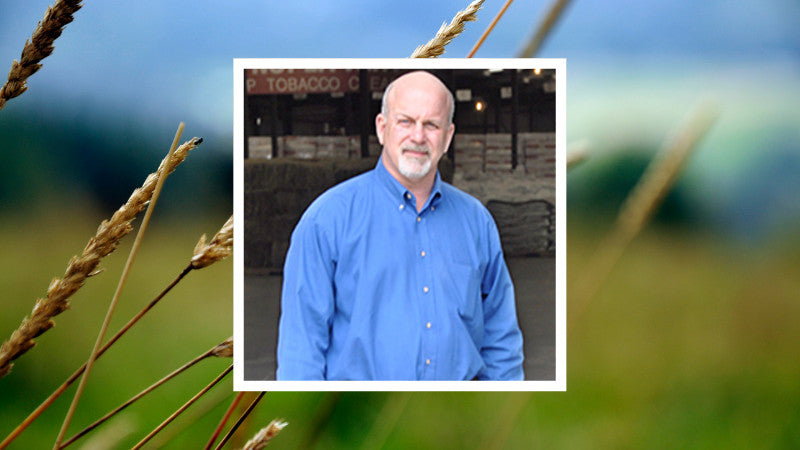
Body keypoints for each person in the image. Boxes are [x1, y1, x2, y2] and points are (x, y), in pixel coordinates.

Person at [276, 71, 524, 380]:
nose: (418, 137)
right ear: (382, 128)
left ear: (447, 137)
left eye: (431, 125)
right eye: (405, 121)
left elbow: (501, 337)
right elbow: (301, 350)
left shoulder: (477, 223)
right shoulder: (326, 220)